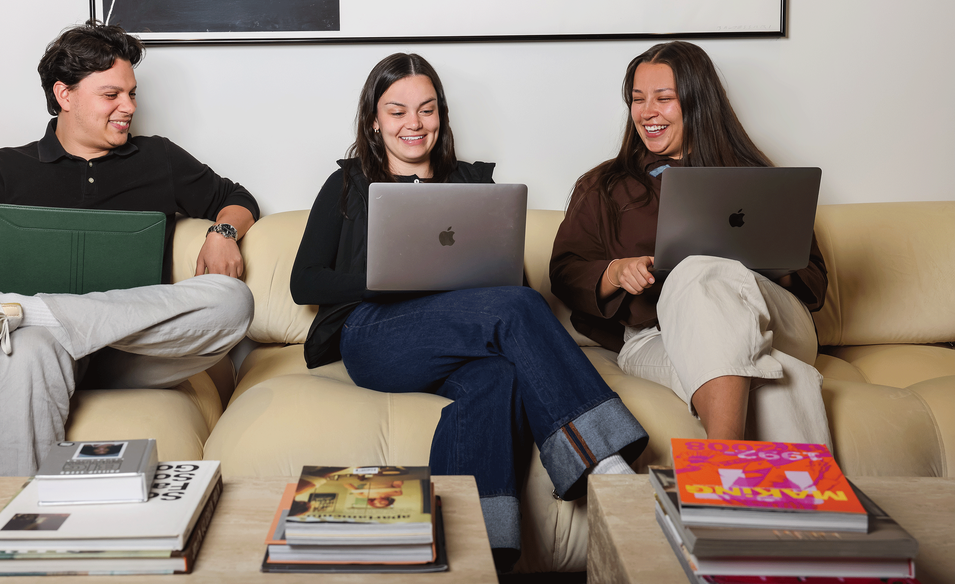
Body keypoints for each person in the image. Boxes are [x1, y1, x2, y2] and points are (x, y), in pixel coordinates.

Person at [290, 52, 648, 571]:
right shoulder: (348, 184)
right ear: (373, 119)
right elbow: (306, 282)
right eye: (397, 111)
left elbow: (512, 285)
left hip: (460, 335)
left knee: (497, 377)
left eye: (427, 109)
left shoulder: (473, 181)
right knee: (516, 310)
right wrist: (386, 278)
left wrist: (474, 277)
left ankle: (474, 554)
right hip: (373, 334)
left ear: (442, 115)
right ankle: (606, 468)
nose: (414, 124)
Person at [0, 20, 258, 477]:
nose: (129, 107)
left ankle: (27, 310)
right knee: (22, 351)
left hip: (134, 353)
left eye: (132, 93)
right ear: (65, 95)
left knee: (233, 300)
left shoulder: (156, 157)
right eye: (112, 95)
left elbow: (238, 198)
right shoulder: (5, 167)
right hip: (39, 349)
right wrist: (23, 263)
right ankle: (15, 527)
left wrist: (222, 233)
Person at [549, 41, 831, 446]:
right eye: (638, 99)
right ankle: (802, 504)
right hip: (654, 336)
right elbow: (565, 270)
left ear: (698, 102)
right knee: (783, 380)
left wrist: (766, 260)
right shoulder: (603, 185)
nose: (647, 112)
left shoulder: (754, 177)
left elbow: (815, 279)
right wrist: (612, 272)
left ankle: (720, 456)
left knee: (698, 271)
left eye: (664, 99)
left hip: (773, 321)